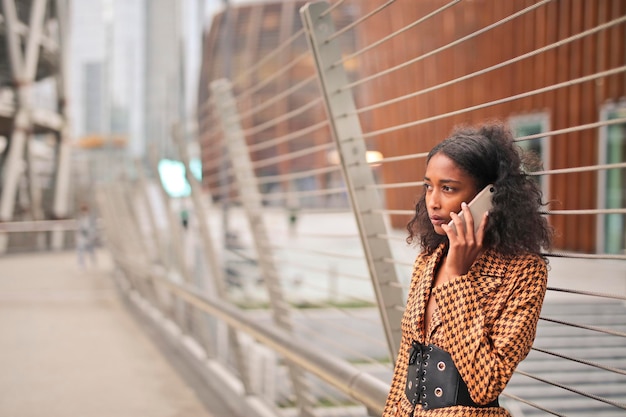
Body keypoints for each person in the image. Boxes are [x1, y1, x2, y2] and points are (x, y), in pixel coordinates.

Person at [383, 123, 552, 417]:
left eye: (448, 188)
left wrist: (457, 276)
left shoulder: (523, 272)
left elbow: (486, 385)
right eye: (428, 186)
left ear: (488, 196)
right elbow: (404, 365)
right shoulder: (429, 259)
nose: (433, 201)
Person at [76, 203, 97, 268]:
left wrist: (92, 235)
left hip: (89, 237)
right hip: (82, 237)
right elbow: (79, 228)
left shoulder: (91, 218)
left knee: (91, 251)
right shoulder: (80, 218)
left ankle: (93, 263)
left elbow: (93, 227)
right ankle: (82, 265)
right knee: (80, 251)